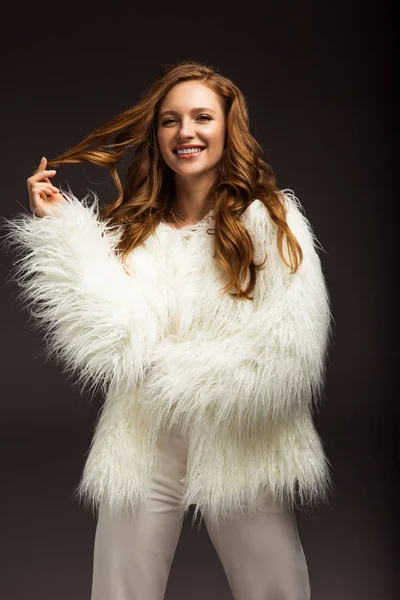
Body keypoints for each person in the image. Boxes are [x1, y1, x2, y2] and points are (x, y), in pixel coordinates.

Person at [1, 60, 333, 600]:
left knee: (274, 588)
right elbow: (112, 333)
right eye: (170, 121)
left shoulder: (271, 222)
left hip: (240, 430)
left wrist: (174, 369)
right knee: (119, 588)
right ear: (156, 136)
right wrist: (63, 230)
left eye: (202, 117)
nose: (186, 133)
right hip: (145, 434)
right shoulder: (137, 232)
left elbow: (287, 351)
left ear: (229, 128)